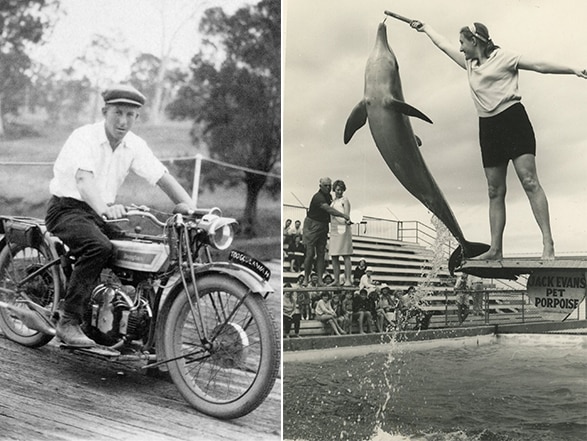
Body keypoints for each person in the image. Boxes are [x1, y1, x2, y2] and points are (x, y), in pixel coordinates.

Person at [411, 20, 587, 260]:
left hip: (513, 120)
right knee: (494, 190)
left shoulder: (503, 58)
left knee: (529, 181)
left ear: (475, 41)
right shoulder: (469, 64)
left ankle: (548, 244)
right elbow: (442, 45)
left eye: (463, 43)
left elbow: (538, 65)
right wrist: (425, 28)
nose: (460, 48)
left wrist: (573, 69)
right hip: (489, 127)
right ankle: (495, 249)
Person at [45, 84, 196, 347]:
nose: (123, 121)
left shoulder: (134, 145)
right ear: (105, 111)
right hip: (67, 208)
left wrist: (191, 208)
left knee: (138, 250)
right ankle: (68, 321)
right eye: (118, 112)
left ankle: (127, 322)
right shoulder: (84, 137)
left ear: (137, 117)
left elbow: (161, 177)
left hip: (99, 214)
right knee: (98, 246)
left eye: (130, 115)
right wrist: (104, 208)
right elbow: (83, 179)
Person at [303, 177, 350, 284]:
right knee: (310, 254)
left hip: (323, 226)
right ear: (320, 186)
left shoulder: (329, 196)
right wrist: (344, 215)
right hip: (312, 226)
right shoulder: (318, 197)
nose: (328, 187)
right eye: (326, 185)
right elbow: (328, 209)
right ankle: (306, 278)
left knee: (321, 253)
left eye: (329, 185)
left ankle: (320, 279)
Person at [329, 179, 353, 286]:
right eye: (337, 190)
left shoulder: (345, 200)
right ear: (334, 190)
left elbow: (347, 215)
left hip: (343, 228)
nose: (339, 192)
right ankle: (336, 280)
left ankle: (348, 280)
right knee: (334, 256)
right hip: (334, 230)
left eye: (341, 190)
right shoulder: (333, 202)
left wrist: (347, 221)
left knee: (345, 255)